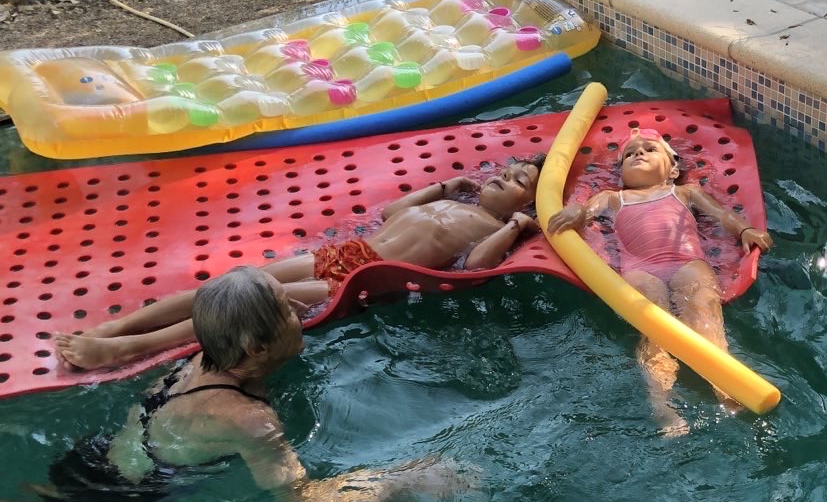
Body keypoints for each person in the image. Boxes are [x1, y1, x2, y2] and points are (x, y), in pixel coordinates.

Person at [1, 267, 471, 502]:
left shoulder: (202, 356)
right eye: (286, 310)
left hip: (87, 460)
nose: (297, 311)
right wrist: (408, 480)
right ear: (257, 348)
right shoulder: (249, 420)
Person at [54, 159, 545, 372]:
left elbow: (474, 266)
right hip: (346, 252)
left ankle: (129, 348)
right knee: (232, 282)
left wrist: (516, 227)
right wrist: (442, 186)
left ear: (528, 203)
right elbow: (392, 214)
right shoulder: (457, 201)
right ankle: (119, 326)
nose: (506, 175)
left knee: (248, 302)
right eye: (508, 169)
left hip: (359, 279)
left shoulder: (490, 226)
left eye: (519, 181)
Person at [547, 131, 771, 435]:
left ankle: (727, 389)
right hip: (641, 269)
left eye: (649, 149)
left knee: (704, 316)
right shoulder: (612, 198)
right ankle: (663, 407)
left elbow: (721, 215)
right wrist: (576, 210)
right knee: (655, 332)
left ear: (673, 170)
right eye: (629, 154)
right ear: (622, 173)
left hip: (687, 262)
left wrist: (744, 230)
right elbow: (585, 212)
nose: (638, 154)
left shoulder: (685, 192)